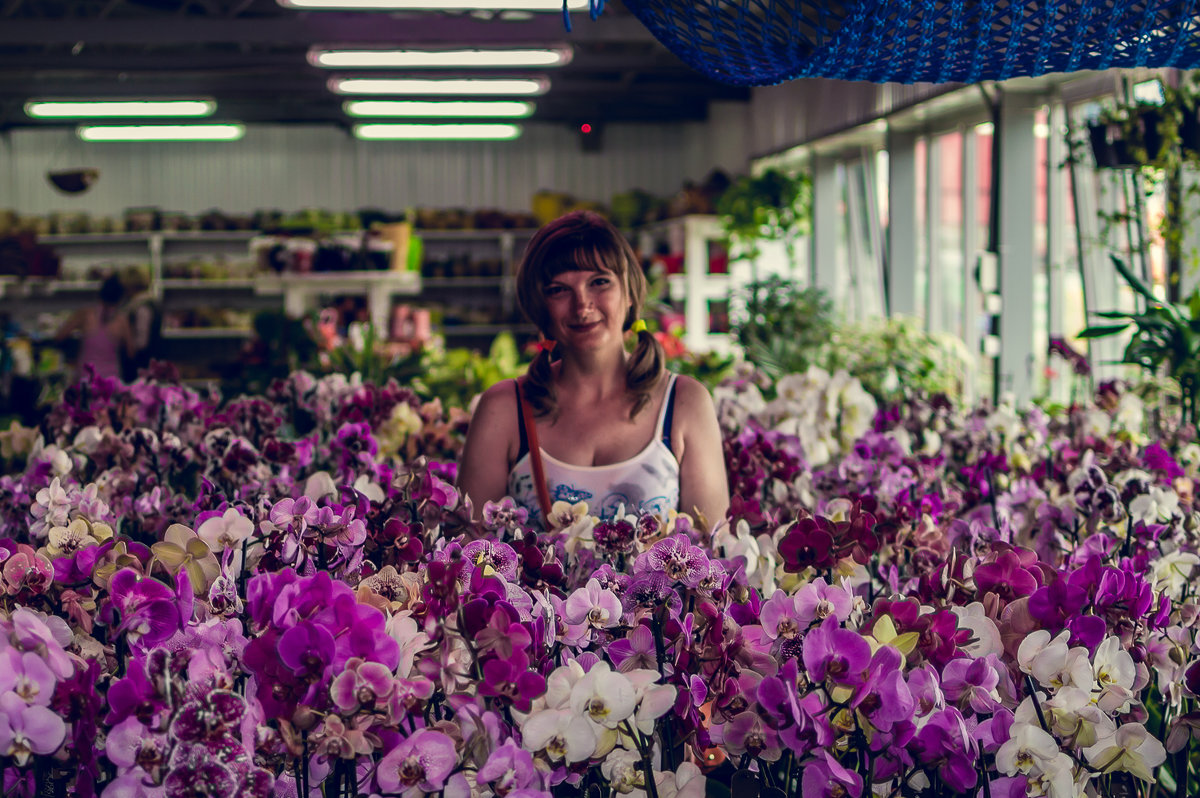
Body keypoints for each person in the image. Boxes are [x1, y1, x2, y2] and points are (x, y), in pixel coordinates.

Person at [458, 211, 730, 531]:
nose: (582, 305)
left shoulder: (685, 403)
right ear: (539, 305)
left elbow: (714, 556)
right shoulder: (504, 409)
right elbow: (467, 555)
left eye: (599, 282)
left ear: (629, 293)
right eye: (559, 289)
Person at [56, 274, 136, 381]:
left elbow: (60, 336)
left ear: (100, 294)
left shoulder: (85, 314)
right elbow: (131, 352)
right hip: (111, 379)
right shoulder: (122, 321)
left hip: (86, 376)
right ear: (120, 298)